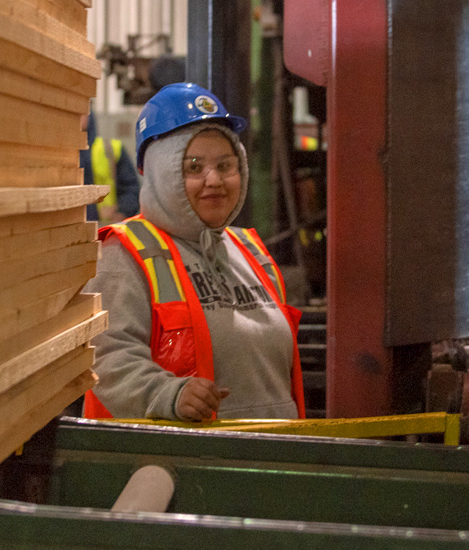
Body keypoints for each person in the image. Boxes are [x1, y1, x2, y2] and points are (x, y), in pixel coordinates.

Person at [82, 83, 304, 421]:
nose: (214, 180)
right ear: (160, 173)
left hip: (273, 456)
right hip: (178, 465)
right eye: (194, 167)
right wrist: (167, 395)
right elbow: (103, 357)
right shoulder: (124, 253)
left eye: (226, 165)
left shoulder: (251, 250)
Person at [82, 113, 141, 224]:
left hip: (105, 228)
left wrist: (121, 212)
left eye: (81, 114)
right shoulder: (59, 153)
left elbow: (131, 188)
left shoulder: (111, 149)